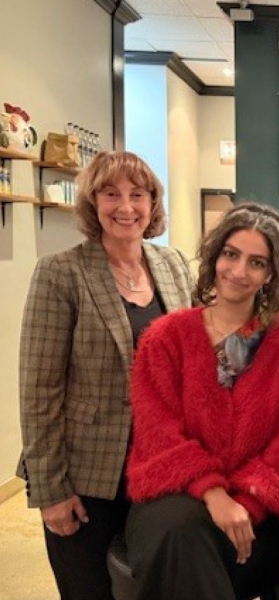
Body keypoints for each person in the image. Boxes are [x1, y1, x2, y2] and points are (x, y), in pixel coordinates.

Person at [17, 150, 193, 600]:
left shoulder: (171, 265)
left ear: (153, 203)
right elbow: (39, 391)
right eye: (111, 194)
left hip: (156, 471)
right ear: (92, 202)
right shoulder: (61, 272)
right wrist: (52, 491)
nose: (126, 206)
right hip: (85, 474)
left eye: (138, 194)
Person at [124, 203, 279, 600]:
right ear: (215, 256)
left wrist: (245, 504)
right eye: (231, 254)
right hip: (174, 497)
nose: (238, 271)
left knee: (196, 549)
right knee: (180, 532)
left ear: (271, 274)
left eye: (256, 262)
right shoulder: (166, 337)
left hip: (256, 512)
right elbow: (158, 434)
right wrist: (213, 494)